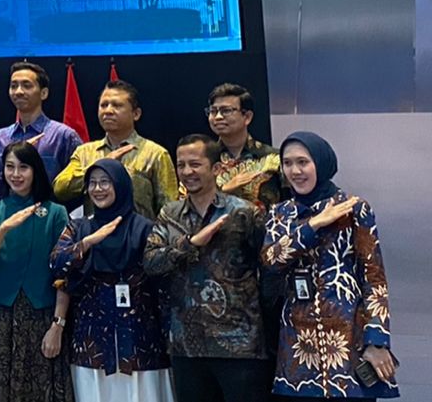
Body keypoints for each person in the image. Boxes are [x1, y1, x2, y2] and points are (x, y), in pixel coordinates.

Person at [263, 132, 397, 398]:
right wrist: (312, 226)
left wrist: (377, 339)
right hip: (298, 342)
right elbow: (270, 261)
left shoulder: (354, 208)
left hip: (348, 338)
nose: (295, 171)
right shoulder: (280, 213)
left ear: (321, 163)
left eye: (303, 162)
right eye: (287, 163)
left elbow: (374, 279)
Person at [142, 134, 267, 401]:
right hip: (186, 346)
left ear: (215, 168)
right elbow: (151, 263)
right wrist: (190, 244)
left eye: (195, 164)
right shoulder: (170, 214)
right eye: (181, 165)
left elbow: (267, 269)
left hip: (239, 343)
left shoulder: (244, 212)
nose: (187, 171)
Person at [51, 159, 172, 402]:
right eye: (92, 183)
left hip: (140, 340)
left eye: (105, 182)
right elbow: (56, 265)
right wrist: (88, 242)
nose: (98, 189)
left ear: (121, 185)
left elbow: (163, 280)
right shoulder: (79, 228)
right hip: (91, 341)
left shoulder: (146, 228)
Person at [0, 141, 72, 402]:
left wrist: (58, 325)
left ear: (35, 170)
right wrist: (3, 228)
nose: (16, 174)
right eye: (10, 167)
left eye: (23, 167)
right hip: (2, 318)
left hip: (43, 316)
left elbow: (65, 275)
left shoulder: (56, 213)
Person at [53, 80, 177, 220]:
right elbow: (60, 190)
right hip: (95, 233)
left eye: (117, 105)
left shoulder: (156, 154)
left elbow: (170, 209)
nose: (108, 111)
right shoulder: (84, 152)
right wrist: (99, 165)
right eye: (103, 105)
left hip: (141, 232)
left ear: (136, 114)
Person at [0, 63, 83, 195]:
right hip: (6, 208)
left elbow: (81, 184)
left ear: (44, 93)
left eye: (26, 86)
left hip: (49, 208)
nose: (18, 91)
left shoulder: (63, 136)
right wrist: (6, 157)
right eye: (13, 86)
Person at [202, 84, 284, 210]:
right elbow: (187, 205)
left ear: (247, 117)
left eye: (226, 111)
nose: (218, 117)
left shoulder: (274, 157)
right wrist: (224, 190)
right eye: (213, 111)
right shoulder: (204, 159)